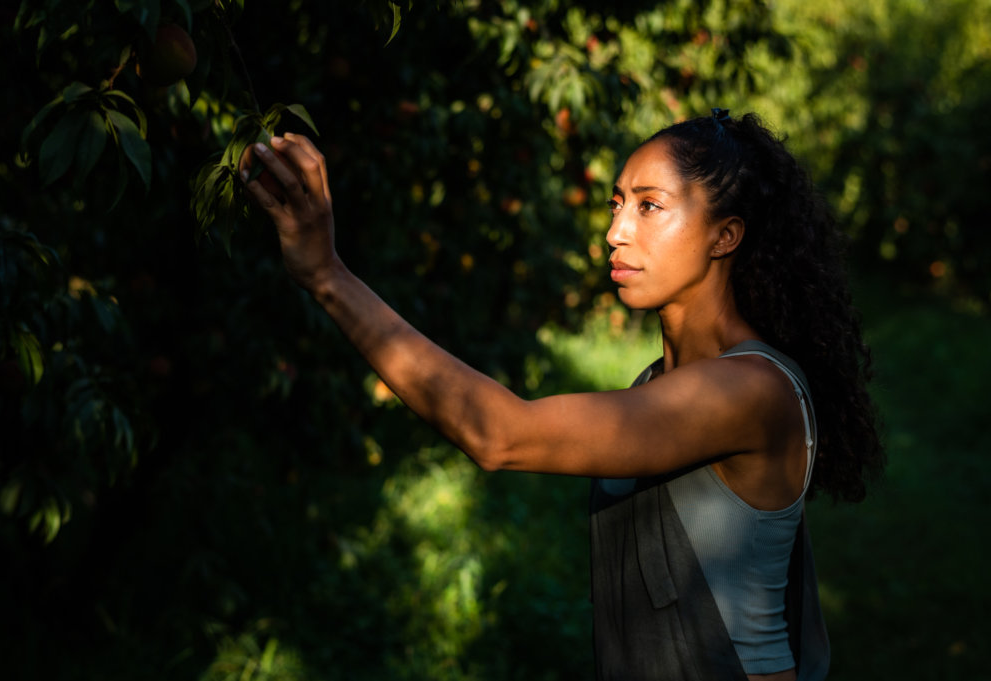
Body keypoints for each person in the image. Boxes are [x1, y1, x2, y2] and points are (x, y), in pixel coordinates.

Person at [242, 108, 884, 680]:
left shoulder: (749, 390)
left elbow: (501, 435)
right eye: (615, 204)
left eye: (649, 206)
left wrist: (328, 276)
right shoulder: (663, 385)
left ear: (725, 236)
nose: (616, 232)